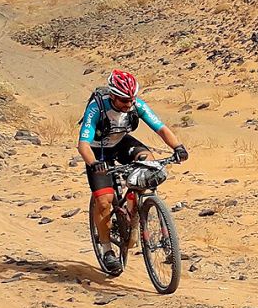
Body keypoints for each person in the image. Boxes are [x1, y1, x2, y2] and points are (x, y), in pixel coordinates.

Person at [78, 68, 187, 273]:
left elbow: (161, 128)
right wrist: (93, 163)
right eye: (123, 101)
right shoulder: (97, 108)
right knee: (103, 201)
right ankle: (108, 249)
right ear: (112, 96)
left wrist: (178, 147)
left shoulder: (136, 105)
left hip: (121, 143)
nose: (129, 105)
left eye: (131, 99)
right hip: (98, 151)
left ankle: (136, 210)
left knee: (149, 163)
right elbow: (83, 144)